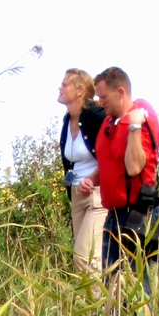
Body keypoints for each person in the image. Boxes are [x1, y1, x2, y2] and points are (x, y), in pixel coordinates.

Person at [93, 67, 159, 301]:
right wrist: (90, 180)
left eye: (104, 97)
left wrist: (134, 126)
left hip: (135, 214)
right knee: (111, 282)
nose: (99, 102)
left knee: (135, 284)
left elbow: (134, 167)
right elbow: (108, 162)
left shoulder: (138, 121)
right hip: (113, 214)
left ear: (120, 92)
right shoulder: (110, 123)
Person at [57, 69, 107, 275]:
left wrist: (93, 178)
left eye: (64, 84)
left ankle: (100, 307)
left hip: (97, 194)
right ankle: (98, 304)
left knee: (85, 258)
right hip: (77, 194)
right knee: (84, 265)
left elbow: (111, 156)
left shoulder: (96, 116)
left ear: (79, 91)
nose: (59, 88)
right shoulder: (67, 120)